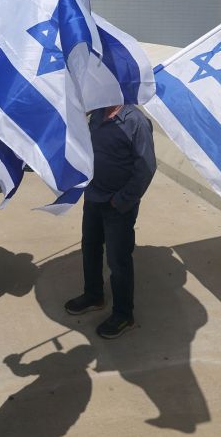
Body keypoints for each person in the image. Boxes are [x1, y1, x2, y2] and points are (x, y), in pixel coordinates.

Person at [64, 104, 156, 339]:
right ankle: (94, 295)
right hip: (94, 197)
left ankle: (124, 315)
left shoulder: (136, 121)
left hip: (119, 205)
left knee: (118, 260)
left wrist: (122, 200)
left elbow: (146, 168)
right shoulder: (96, 115)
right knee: (90, 248)